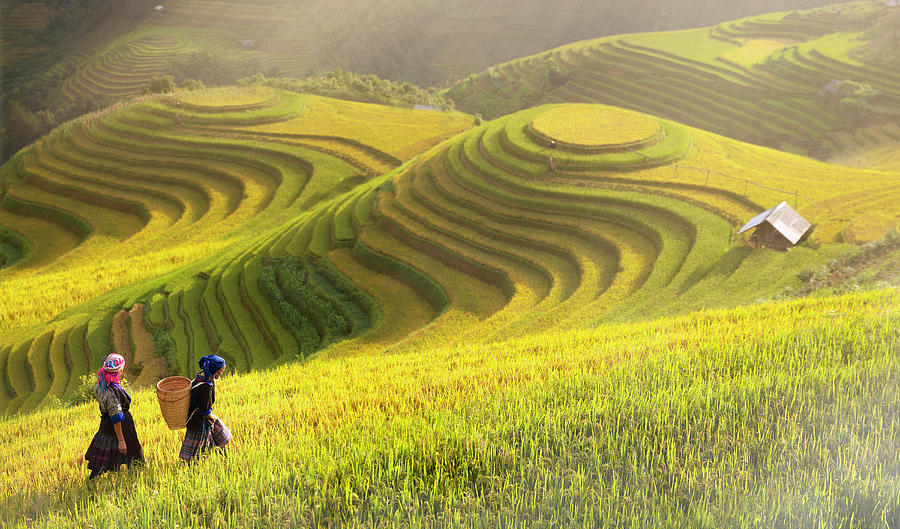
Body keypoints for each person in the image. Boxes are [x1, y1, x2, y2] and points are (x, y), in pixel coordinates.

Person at [84, 353, 145, 480]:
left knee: (105, 450)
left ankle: (134, 477)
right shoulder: (111, 391)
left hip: (107, 423)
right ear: (120, 370)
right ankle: (136, 477)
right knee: (131, 450)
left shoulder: (101, 384)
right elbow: (116, 416)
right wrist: (121, 440)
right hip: (120, 425)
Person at [180, 355, 232, 461]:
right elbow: (205, 411)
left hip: (194, 419)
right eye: (220, 372)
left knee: (210, 441)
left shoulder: (199, 378)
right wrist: (214, 419)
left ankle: (224, 459)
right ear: (214, 370)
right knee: (197, 448)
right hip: (198, 421)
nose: (221, 373)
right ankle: (193, 465)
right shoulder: (205, 387)